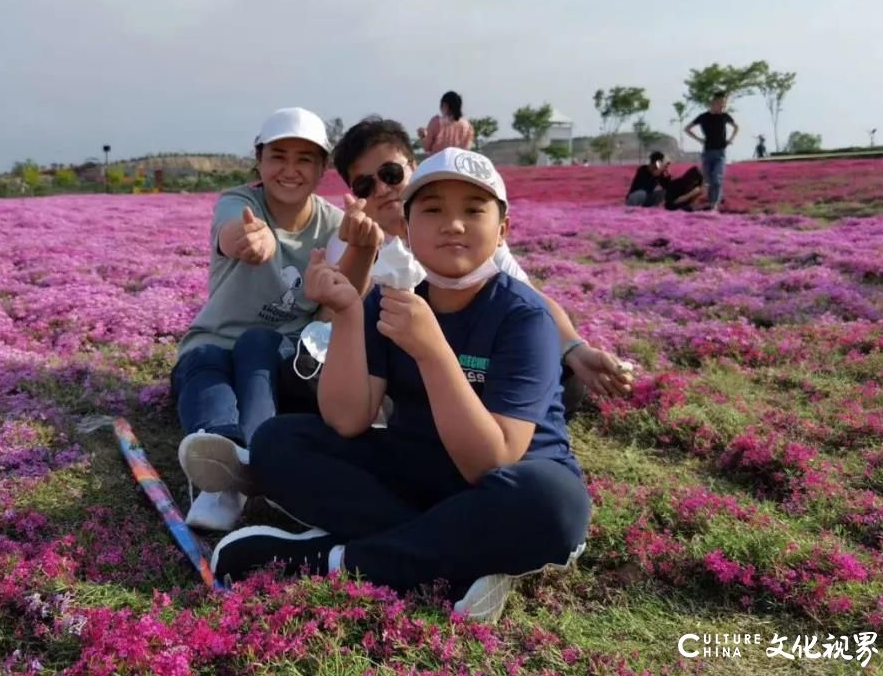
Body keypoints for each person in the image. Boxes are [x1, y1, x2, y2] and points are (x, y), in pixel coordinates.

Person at [206, 149, 591, 624]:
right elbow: (347, 420)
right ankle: (450, 554)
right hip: (418, 473)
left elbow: (488, 462)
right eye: (433, 210)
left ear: (503, 230)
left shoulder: (523, 316)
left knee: (554, 507)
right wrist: (348, 313)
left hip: (505, 484)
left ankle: (333, 561)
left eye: (474, 210)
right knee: (277, 442)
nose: (453, 224)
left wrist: (432, 351)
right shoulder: (392, 299)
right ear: (407, 229)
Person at [323, 117, 632, 412]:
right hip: (396, 369)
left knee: (560, 373)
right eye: (364, 185)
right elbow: (338, 324)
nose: (381, 189)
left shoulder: (468, 238)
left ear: (413, 167)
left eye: (390, 174)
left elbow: (527, 298)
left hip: (473, 359)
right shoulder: (348, 241)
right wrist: (360, 254)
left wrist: (574, 348)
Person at [171, 107, 342, 531]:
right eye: (278, 156)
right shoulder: (239, 202)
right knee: (203, 366)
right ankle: (221, 469)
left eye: (304, 159)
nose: (289, 169)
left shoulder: (335, 224)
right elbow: (232, 232)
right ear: (259, 160)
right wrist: (248, 238)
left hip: (281, 352)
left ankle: (256, 458)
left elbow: (346, 291)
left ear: (323, 167)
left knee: (259, 350)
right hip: (214, 340)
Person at [684, 91, 739, 210]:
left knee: (717, 178)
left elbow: (736, 127)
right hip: (707, 153)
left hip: (720, 152)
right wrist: (699, 139)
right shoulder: (703, 117)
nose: (723, 106)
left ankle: (714, 205)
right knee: (709, 180)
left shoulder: (725, 116)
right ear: (713, 102)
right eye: (721, 103)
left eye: (724, 104)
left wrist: (730, 139)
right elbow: (687, 129)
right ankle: (713, 201)